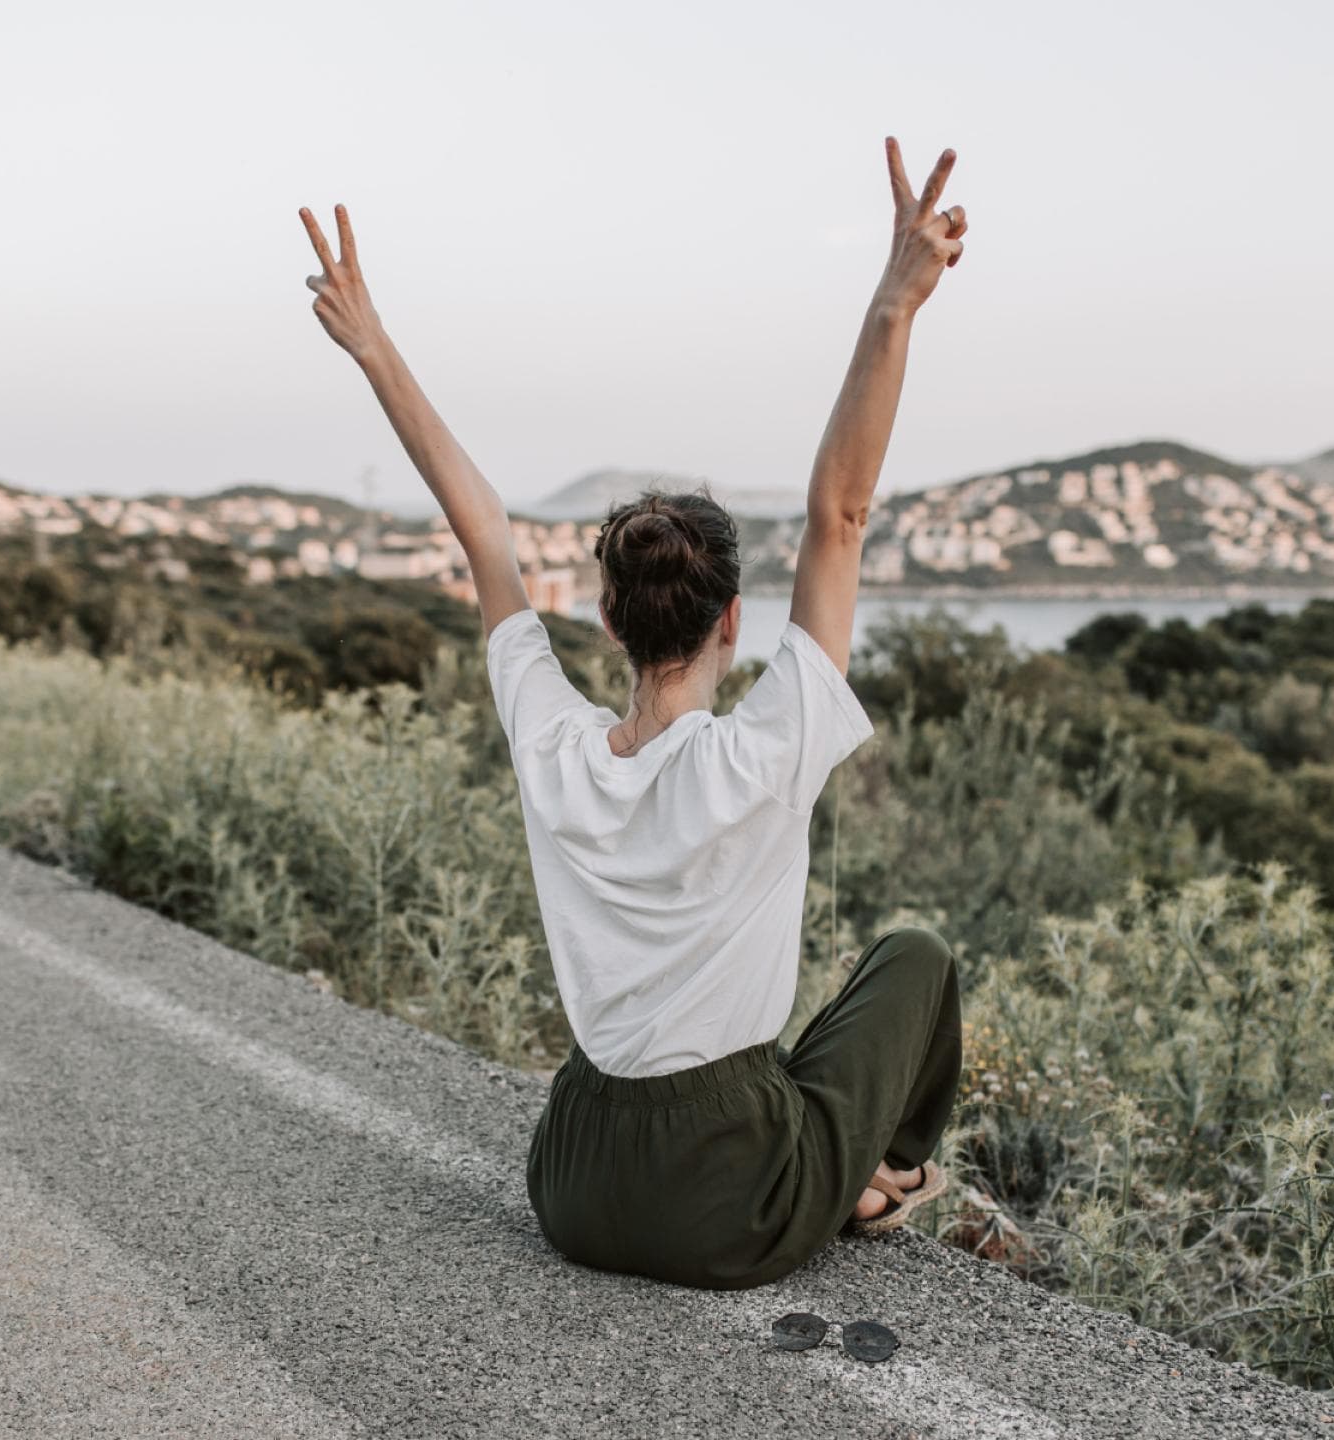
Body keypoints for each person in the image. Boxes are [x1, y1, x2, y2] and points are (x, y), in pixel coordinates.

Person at [299, 136, 965, 1290]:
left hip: (573, 1182)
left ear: (606, 620)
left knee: (758, 1059)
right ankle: (882, 1179)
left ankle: (848, 1178)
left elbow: (482, 531)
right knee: (913, 960)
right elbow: (841, 516)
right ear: (733, 623)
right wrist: (894, 302)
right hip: (725, 1201)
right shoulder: (765, 750)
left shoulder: (553, 746)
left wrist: (373, 345)